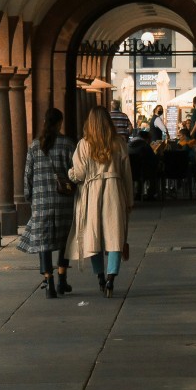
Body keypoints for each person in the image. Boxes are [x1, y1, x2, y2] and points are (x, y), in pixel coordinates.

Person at [66, 106, 134, 298]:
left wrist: (70, 174)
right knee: (115, 236)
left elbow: (78, 174)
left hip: (92, 193)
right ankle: (112, 279)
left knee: (92, 235)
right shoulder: (119, 143)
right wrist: (129, 198)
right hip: (115, 191)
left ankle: (100, 278)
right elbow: (127, 173)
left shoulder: (84, 145)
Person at [17, 108, 76, 298]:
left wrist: (30, 197)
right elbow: (75, 172)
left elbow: (28, 175)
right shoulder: (68, 144)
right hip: (63, 201)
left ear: (44, 122)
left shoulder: (35, 146)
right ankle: (62, 280)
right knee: (64, 240)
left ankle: (48, 281)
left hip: (41, 201)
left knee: (44, 241)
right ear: (59, 123)